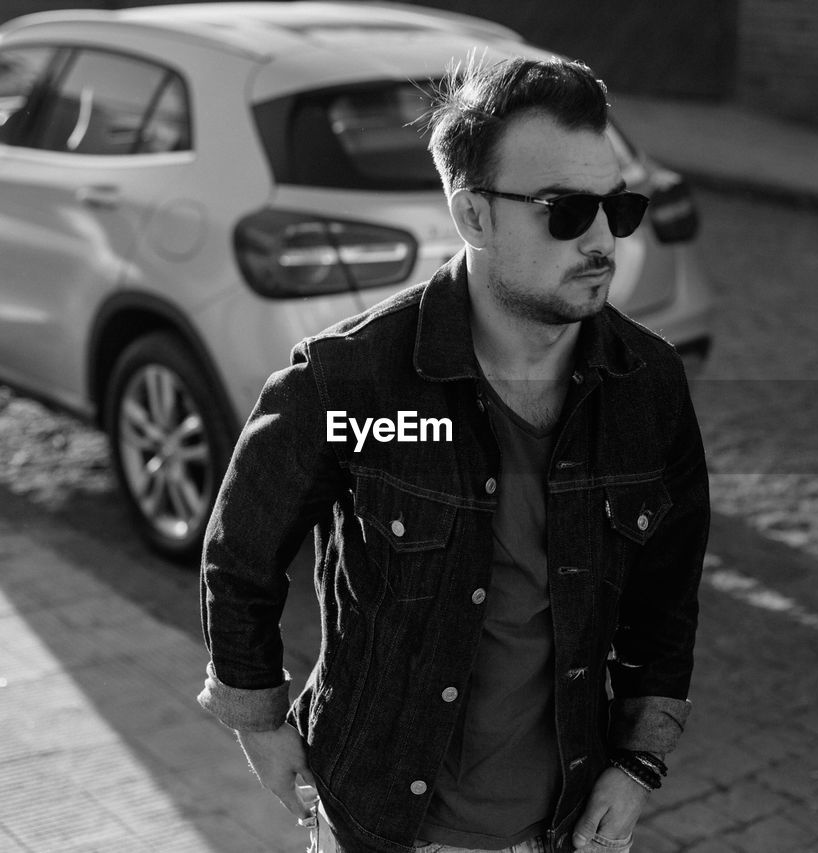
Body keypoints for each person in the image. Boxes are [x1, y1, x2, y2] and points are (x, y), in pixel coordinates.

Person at [197, 54, 709, 853]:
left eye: (619, 206)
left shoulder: (649, 387)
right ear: (474, 216)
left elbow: (666, 604)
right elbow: (241, 553)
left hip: (563, 828)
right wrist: (257, 719)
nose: (604, 237)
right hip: (379, 824)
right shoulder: (350, 381)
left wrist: (638, 762)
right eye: (566, 211)